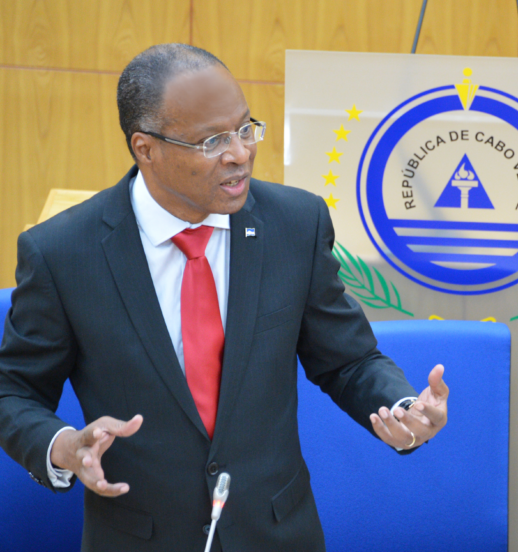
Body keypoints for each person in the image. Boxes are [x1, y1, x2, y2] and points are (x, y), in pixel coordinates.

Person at [0, 44, 448, 552]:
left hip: (276, 534)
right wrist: (64, 447)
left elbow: (348, 360)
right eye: (212, 140)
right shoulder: (62, 253)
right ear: (145, 148)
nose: (240, 153)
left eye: (245, 128)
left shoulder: (295, 224)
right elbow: (13, 391)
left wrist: (403, 408)